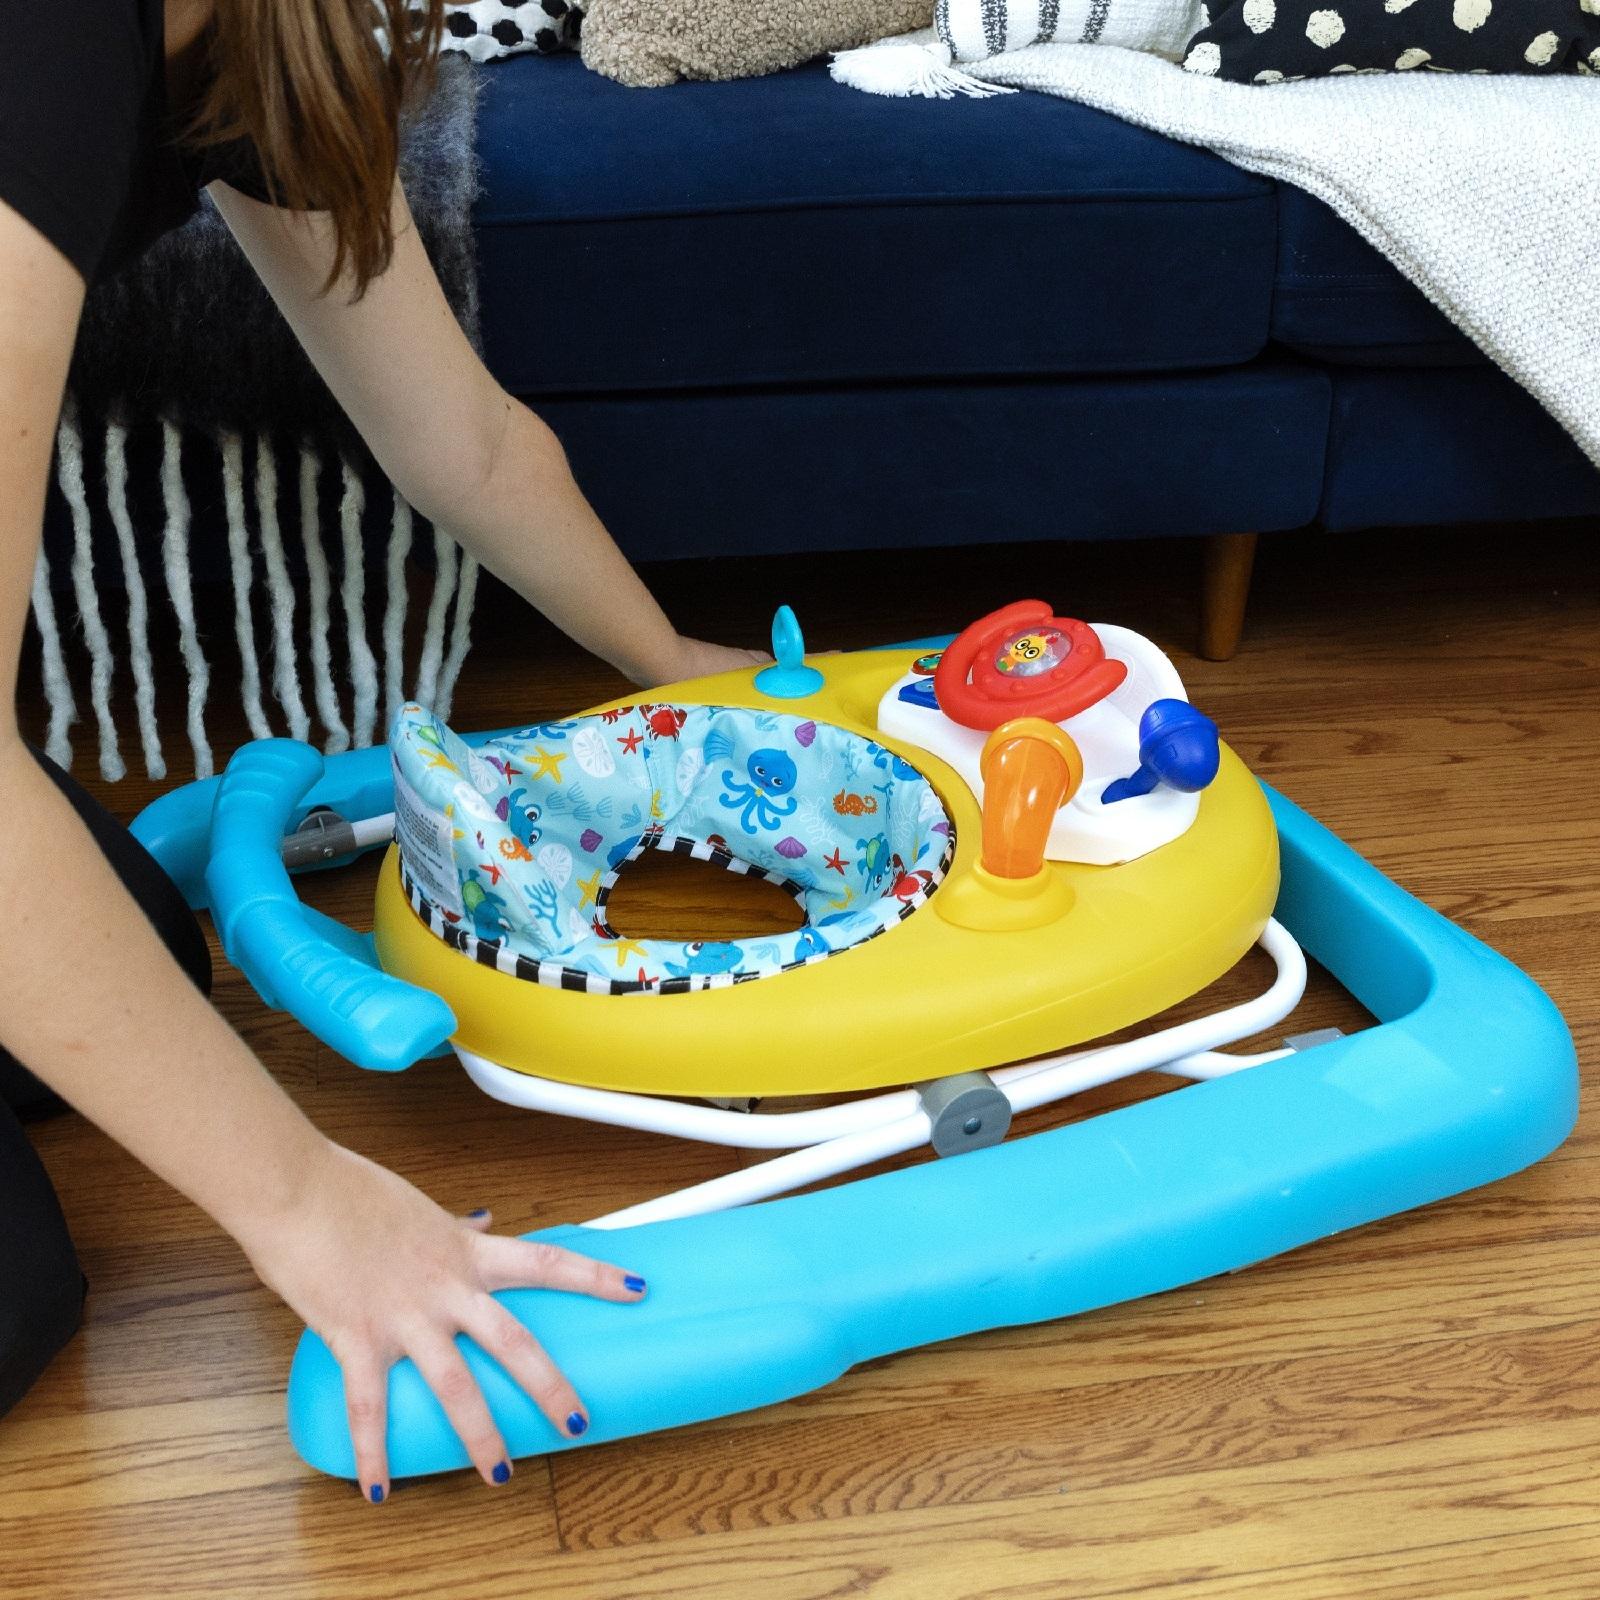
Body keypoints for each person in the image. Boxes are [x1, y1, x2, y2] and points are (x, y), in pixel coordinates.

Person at [0, 0, 762, 1504]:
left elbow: (461, 443)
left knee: (130, 967)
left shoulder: (270, 42)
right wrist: (306, 1203)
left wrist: (669, 661)